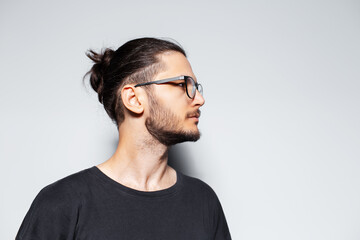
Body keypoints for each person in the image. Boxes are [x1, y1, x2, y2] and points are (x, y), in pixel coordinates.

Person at [16, 37, 231, 240]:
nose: (199, 99)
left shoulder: (203, 201)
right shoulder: (62, 202)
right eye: (184, 84)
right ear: (134, 98)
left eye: (196, 87)